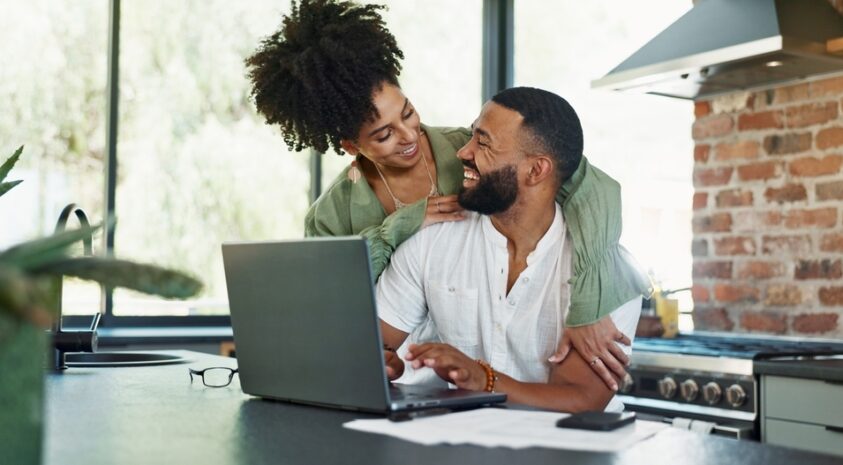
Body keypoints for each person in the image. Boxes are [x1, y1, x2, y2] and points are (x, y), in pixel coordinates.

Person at [244, 0, 650, 391]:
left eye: (407, 113)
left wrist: (591, 300)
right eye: (384, 135)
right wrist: (392, 233)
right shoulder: (331, 216)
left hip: (489, 384)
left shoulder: (470, 151)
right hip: (408, 387)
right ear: (351, 145)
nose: (408, 138)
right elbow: (328, 314)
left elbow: (594, 187)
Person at [379, 87, 642, 412]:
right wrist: (383, 364)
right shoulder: (431, 243)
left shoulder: (609, 279)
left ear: (536, 171)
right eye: (472, 136)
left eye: (483, 143)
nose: (463, 152)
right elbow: (373, 346)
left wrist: (484, 380)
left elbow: (581, 400)